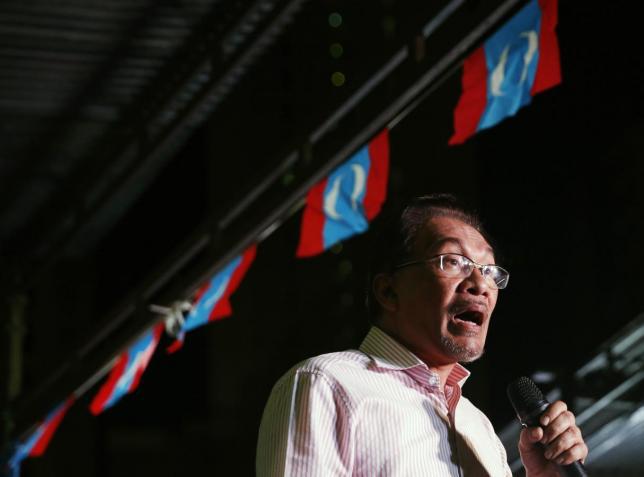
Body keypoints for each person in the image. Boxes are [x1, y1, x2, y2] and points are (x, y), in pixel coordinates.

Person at [256, 193, 587, 476]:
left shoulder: (479, 428)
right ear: (389, 291)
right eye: (452, 261)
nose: (480, 284)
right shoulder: (326, 384)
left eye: (489, 270)